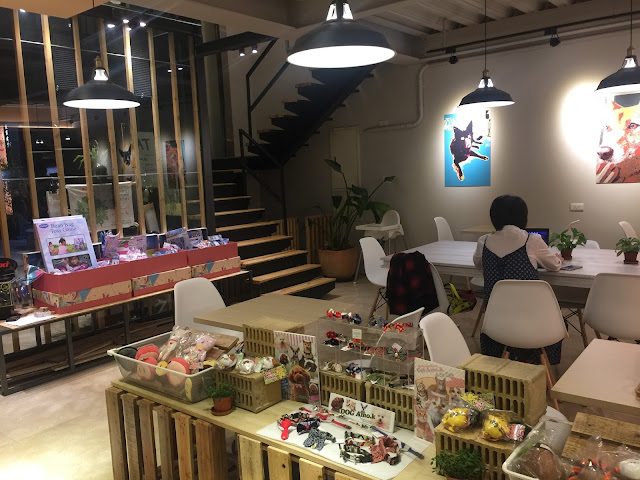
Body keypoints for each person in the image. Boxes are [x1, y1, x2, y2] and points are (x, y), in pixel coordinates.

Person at [473, 195, 563, 364]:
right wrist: (559, 259)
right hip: (530, 318)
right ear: (523, 217)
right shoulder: (532, 240)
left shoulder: (483, 241)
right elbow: (554, 266)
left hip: (495, 319)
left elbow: (478, 264)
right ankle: (533, 357)